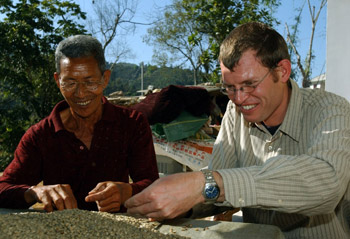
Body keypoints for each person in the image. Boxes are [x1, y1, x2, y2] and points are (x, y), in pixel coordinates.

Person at [125, 22, 350, 238]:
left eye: (249, 84)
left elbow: (326, 181)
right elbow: (219, 192)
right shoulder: (234, 111)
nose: (240, 99)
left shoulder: (331, 109)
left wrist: (205, 184)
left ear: (282, 71)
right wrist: (170, 202)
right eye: (230, 88)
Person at [0, 35, 159, 213]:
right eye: (70, 83)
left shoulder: (132, 124)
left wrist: (127, 191)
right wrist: (35, 192)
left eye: (90, 82)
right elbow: (3, 188)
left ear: (105, 78)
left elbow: (152, 184)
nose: (81, 94)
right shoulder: (40, 135)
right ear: (57, 81)